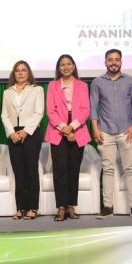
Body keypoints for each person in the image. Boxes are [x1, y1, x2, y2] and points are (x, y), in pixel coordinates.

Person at [90, 49, 132, 219]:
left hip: (127, 130)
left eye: (117, 60)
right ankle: (107, 207)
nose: (114, 62)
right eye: (110, 60)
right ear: (105, 62)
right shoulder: (97, 82)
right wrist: (95, 129)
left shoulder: (130, 81)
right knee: (108, 170)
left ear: (121, 62)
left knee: (129, 168)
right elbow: (93, 107)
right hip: (105, 131)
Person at [44, 54, 91, 222]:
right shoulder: (52, 85)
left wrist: (73, 127)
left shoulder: (83, 86)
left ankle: (71, 205)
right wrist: (65, 128)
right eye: (62, 64)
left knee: (73, 170)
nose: (65, 67)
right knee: (60, 170)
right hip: (58, 131)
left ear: (73, 66)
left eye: (68, 64)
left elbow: (86, 109)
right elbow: (50, 111)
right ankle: (61, 207)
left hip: (78, 130)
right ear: (58, 68)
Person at [1, 60, 44, 220]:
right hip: (13, 134)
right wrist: (12, 133)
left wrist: (25, 132)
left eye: (23, 70)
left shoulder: (37, 90)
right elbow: (4, 115)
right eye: (17, 70)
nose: (20, 73)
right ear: (14, 73)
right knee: (18, 172)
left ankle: (33, 207)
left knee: (31, 171)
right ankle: (20, 208)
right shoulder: (7, 92)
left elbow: (39, 113)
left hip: (31, 133)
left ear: (28, 73)